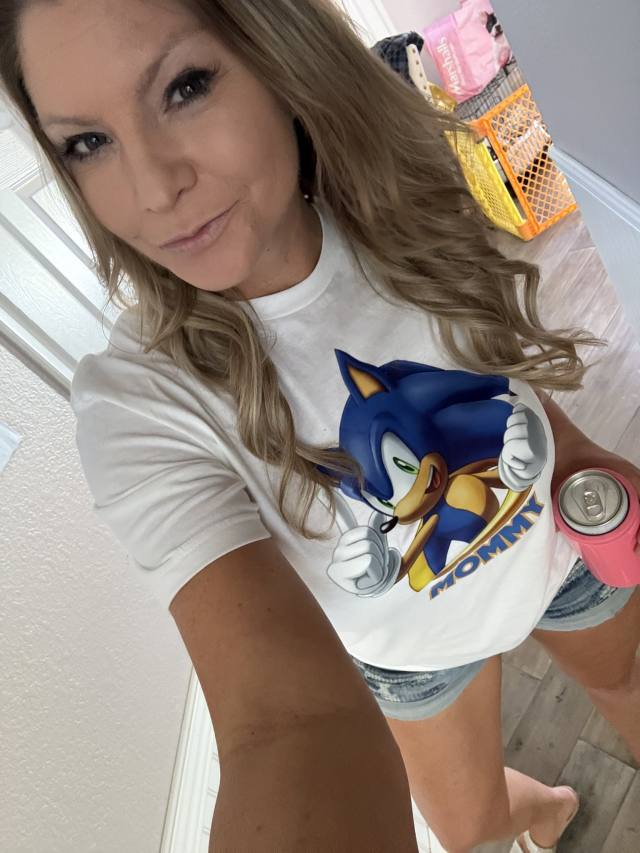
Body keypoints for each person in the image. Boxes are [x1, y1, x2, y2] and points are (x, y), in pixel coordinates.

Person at [4, 1, 639, 850]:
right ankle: (546, 808)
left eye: (185, 87)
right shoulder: (138, 406)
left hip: (564, 542)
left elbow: (490, 370)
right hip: (417, 663)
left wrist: (578, 453)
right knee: (474, 830)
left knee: (628, 685)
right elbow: (285, 726)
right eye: (88, 142)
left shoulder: (404, 191)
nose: (154, 190)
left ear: (280, 57)